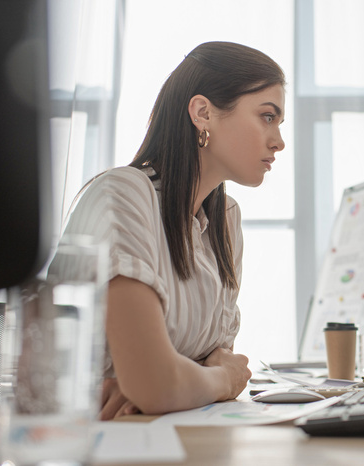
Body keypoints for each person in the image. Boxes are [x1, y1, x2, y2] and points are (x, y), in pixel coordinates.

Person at [49, 41, 286, 419]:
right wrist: (216, 381)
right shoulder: (124, 195)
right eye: (267, 116)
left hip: (166, 435)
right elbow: (163, 385)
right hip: (91, 442)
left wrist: (181, 382)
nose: (279, 141)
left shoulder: (225, 219)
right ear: (203, 112)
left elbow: (206, 365)